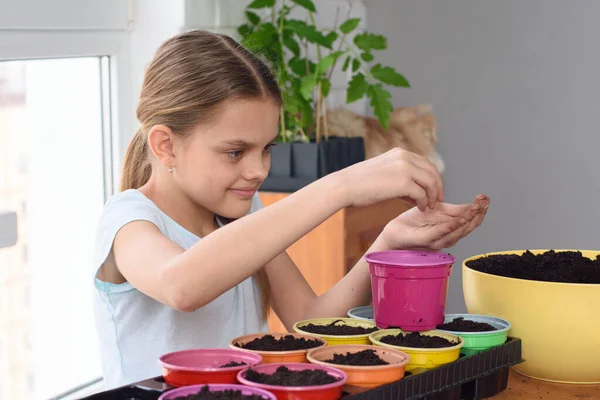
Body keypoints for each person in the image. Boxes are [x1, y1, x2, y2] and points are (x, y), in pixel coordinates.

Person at [92, 29, 490, 388]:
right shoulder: (128, 220)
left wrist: (388, 243)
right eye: (235, 151)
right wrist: (340, 186)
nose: (258, 170)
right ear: (165, 146)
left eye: (266, 148)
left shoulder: (242, 216)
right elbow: (181, 286)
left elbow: (309, 321)